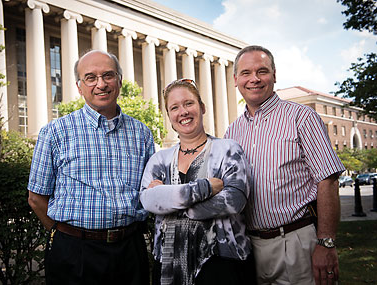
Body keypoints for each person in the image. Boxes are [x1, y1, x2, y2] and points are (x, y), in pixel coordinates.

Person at [27, 50, 154, 285]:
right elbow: (36, 199)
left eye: (108, 75)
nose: (101, 84)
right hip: (74, 253)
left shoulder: (142, 134)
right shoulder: (55, 132)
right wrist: (65, 234)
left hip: (130, 251)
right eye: (91, 77)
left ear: (119, 81)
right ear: (79, 86)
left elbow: (150, 191)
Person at [224, 45, 346, 285]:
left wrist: (326, 242)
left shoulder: (301, 117)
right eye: (246, 73)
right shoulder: (232, 131)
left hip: (297, 243)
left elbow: (328, 181)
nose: (255, 79)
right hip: (251, 247)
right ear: (236, 80)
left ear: (274, 75)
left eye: (262, 71)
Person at [140, 78, 256, 285]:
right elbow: (148, 201)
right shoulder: (160, 159)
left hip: (222, 262)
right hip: (169, 265)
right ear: (169, 116)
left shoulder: (228, 150)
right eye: (174, 107)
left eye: (188, 103)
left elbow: (235, 199)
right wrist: (207, 187)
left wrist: (171, 201)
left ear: (202, 107)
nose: (182, 112)